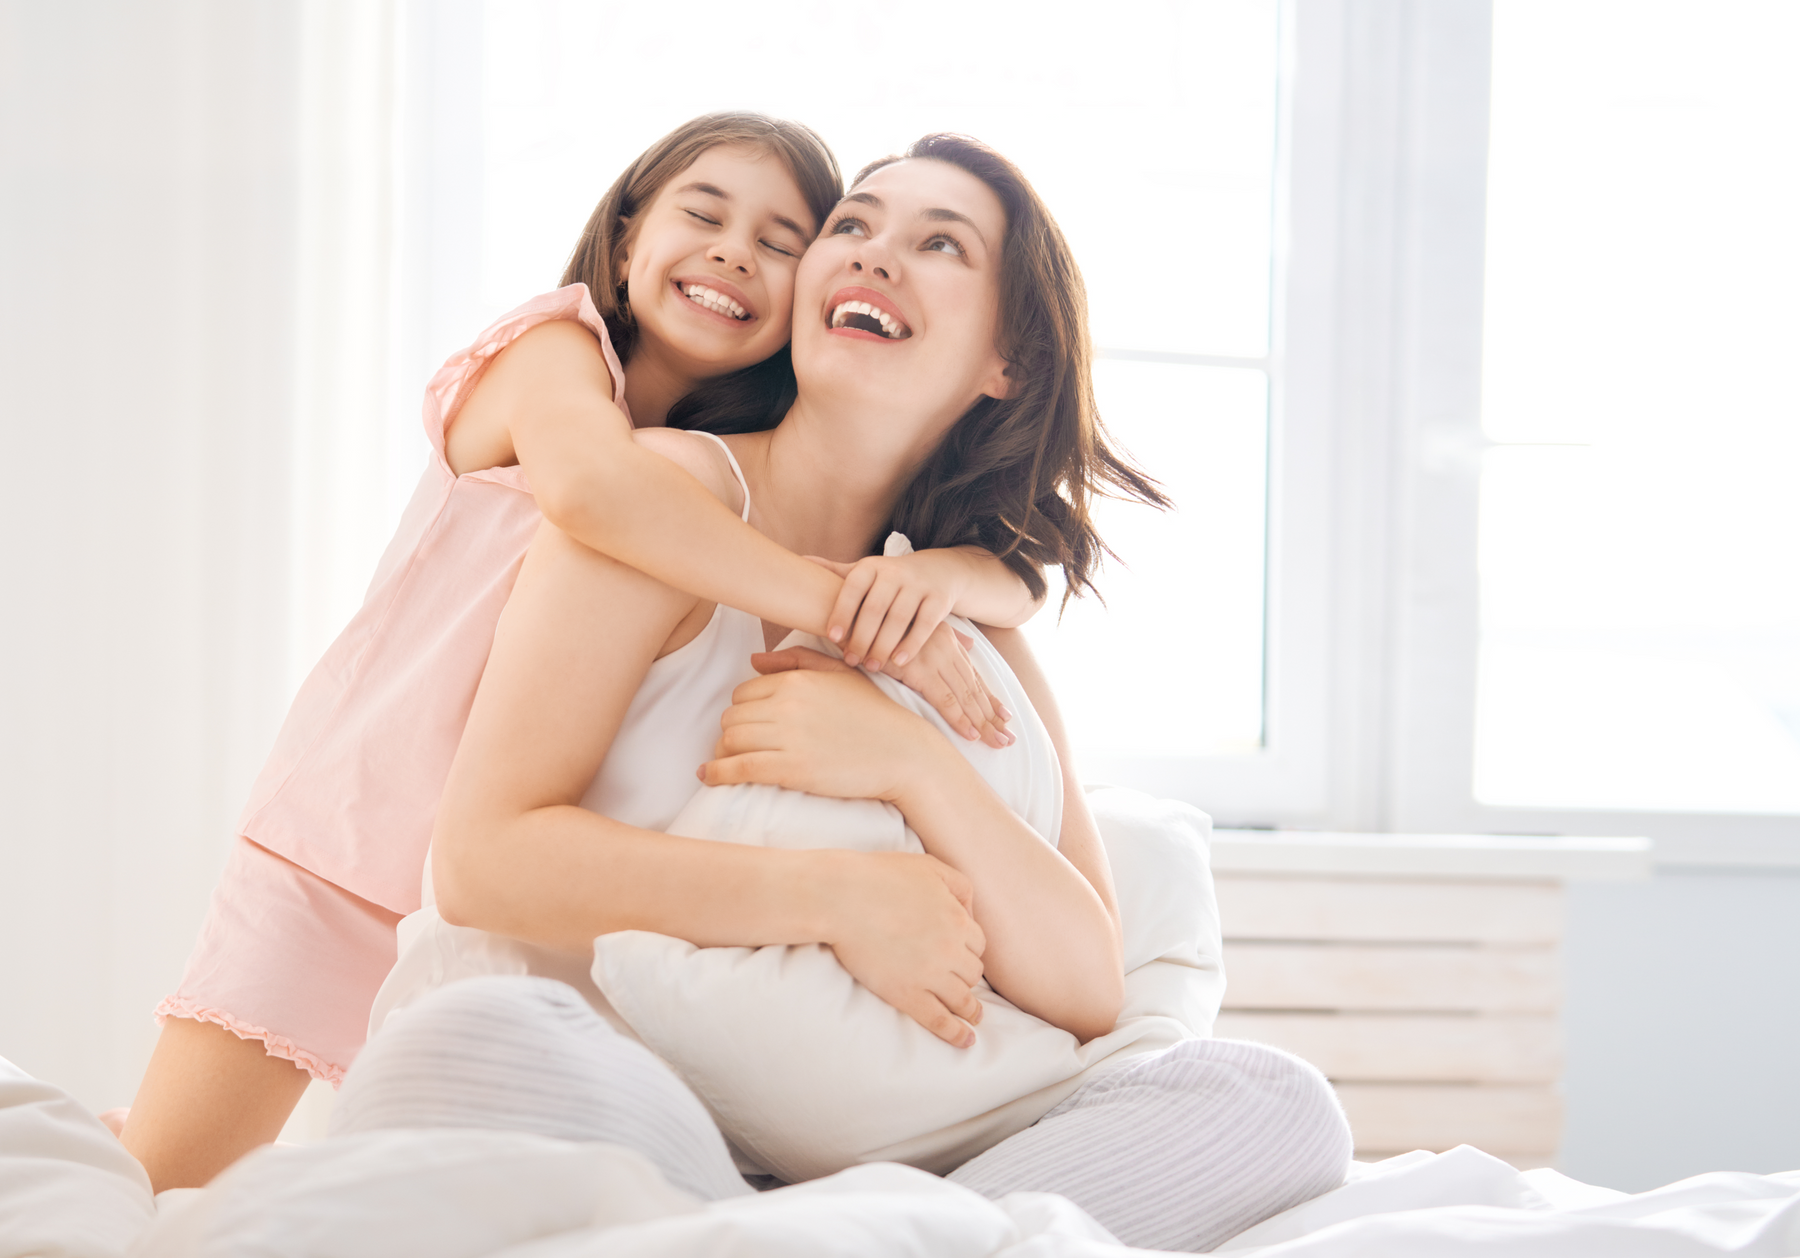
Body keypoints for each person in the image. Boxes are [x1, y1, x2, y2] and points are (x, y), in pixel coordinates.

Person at [333, 135, 1353, 1253]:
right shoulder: (666, 497)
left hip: (867, 1151)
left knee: (1275, 1102)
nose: (875, 257)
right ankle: (866, 1234)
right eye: (854, 226)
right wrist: (834, 897)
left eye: (938, 243)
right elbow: (484, 862)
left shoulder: (964, 622)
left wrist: (911, 765)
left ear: (1005, 359)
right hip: (625, 1101)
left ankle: (840, 1232)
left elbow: (1085, 980)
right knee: (473, 1038)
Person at [121, 114, 1040, 1193]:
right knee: (173, 1179)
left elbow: (1023, 568)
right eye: (703, 213)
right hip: (352, 834)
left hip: (486, 899)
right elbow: (597, 496)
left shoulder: (726, 465)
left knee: (356, 1173)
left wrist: (952, 580)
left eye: (782, 241)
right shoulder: (552, 356)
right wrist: (844, 605)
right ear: (621, 242)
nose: (735, 251)